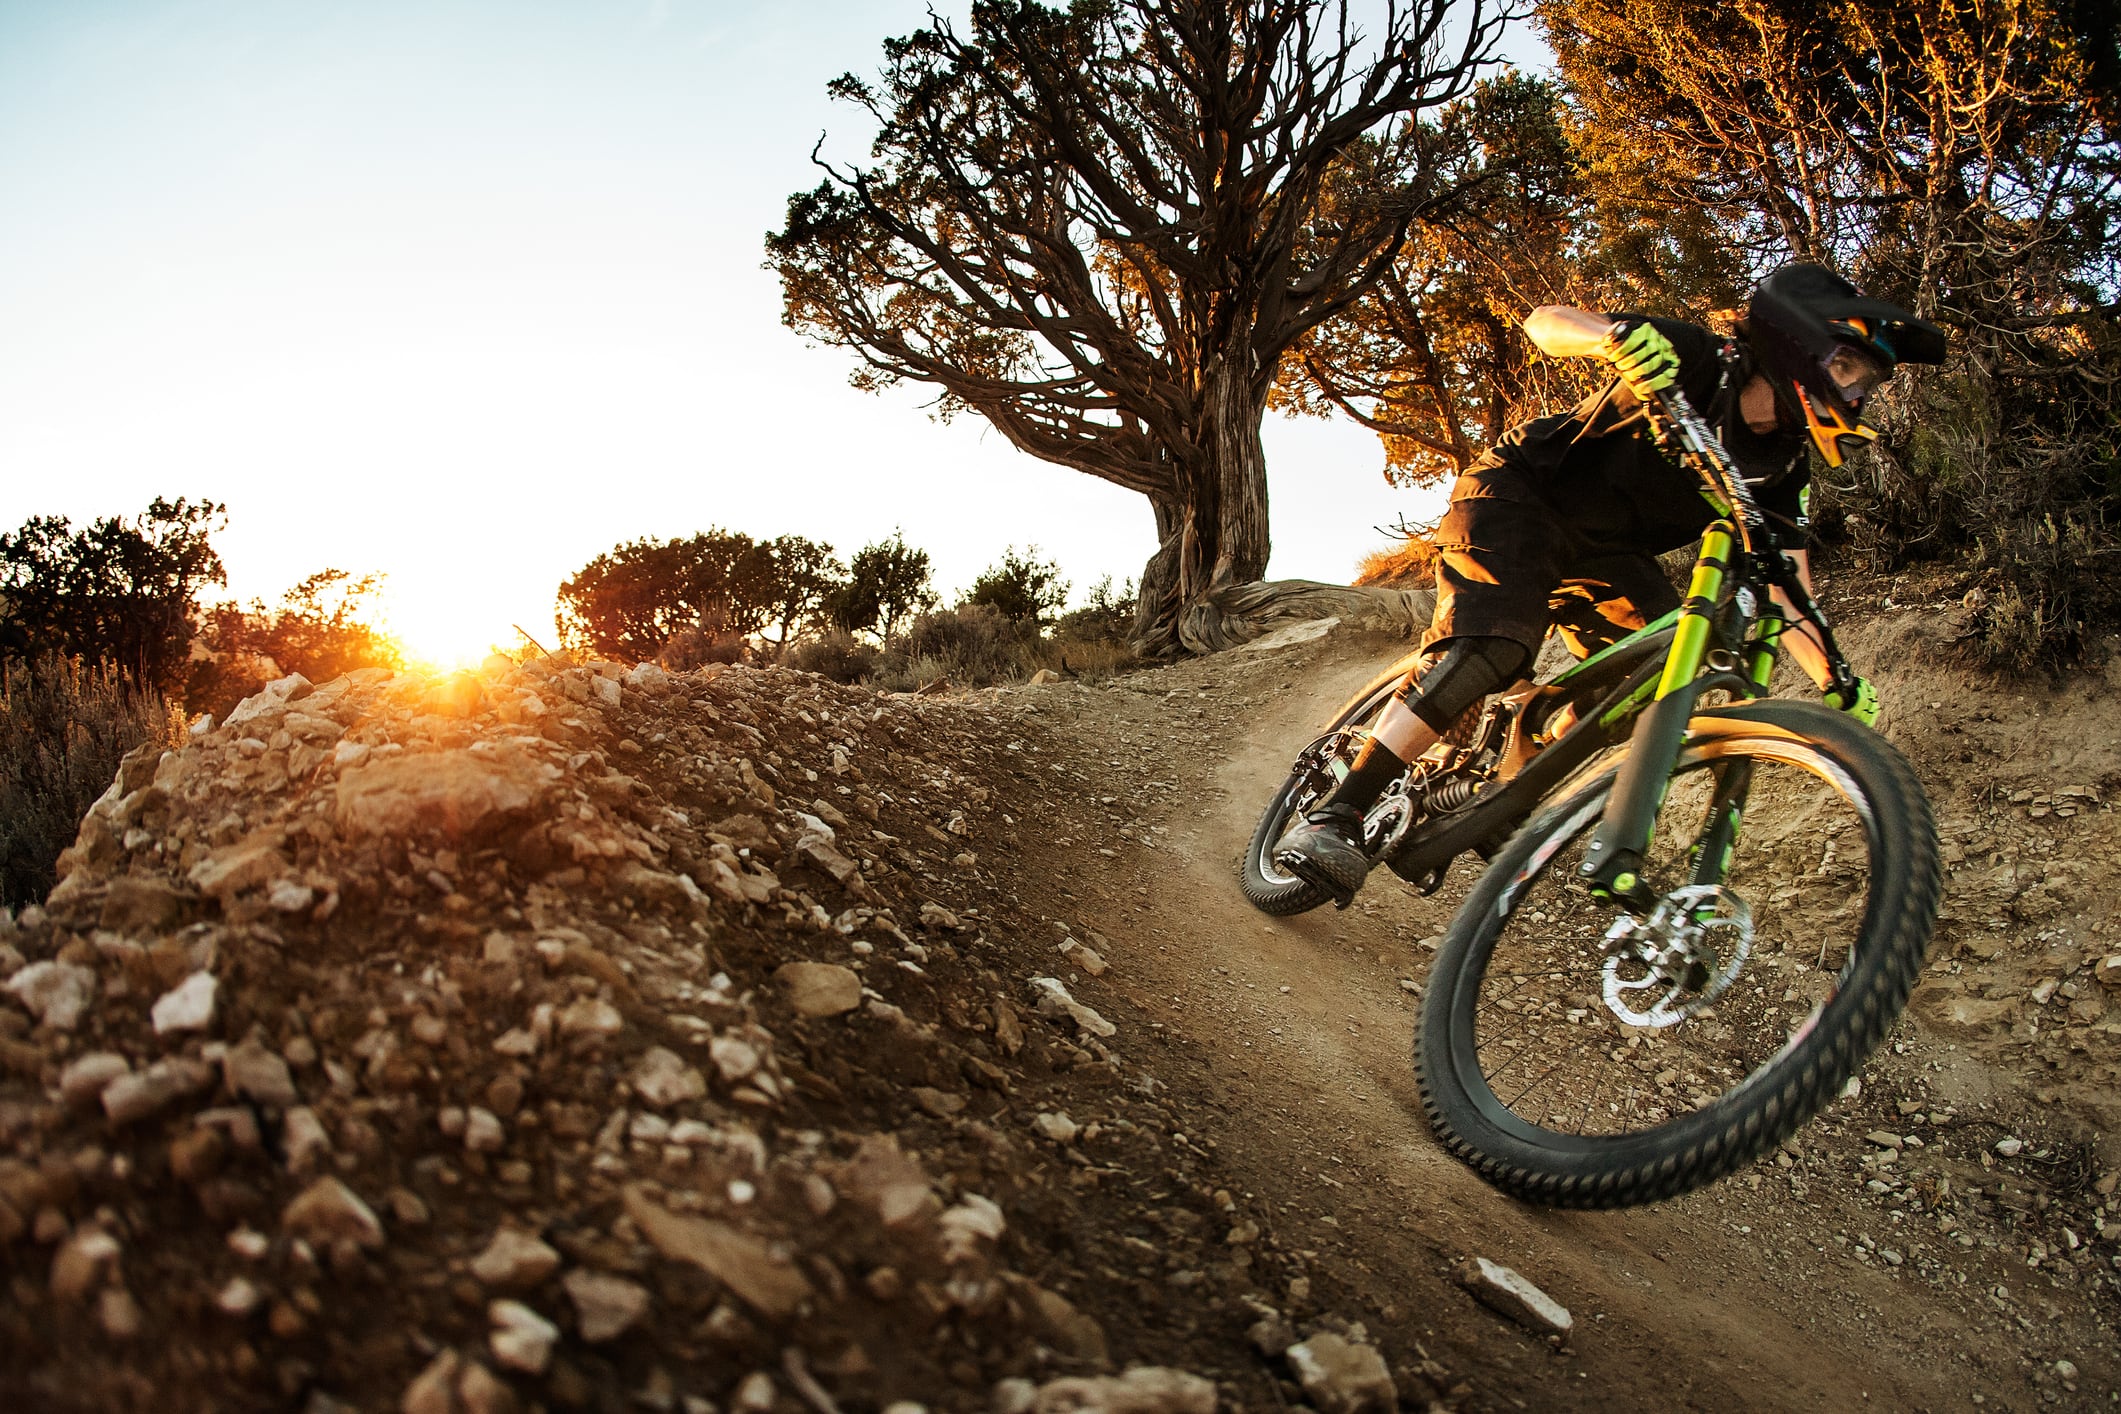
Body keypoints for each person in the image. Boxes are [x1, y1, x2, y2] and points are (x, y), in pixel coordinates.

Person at [1276, 262, 1948, 900]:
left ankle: (1505, 775)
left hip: (1608, 555)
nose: (1858, 393)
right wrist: (1613, 337)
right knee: (1493, 647)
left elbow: (1785, 586)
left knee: (1648, 677)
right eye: (1847, 366)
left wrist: (1833, 676)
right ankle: (1338, 811)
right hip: (1520, 494)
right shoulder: (1695, 360)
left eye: (1867, 381)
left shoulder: (1780, 466)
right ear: (1797, 339)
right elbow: (1544, 322)